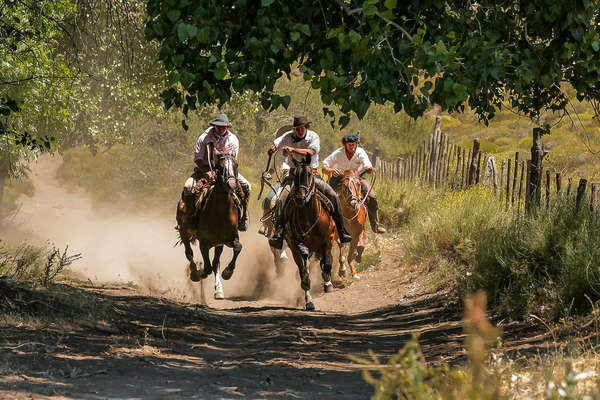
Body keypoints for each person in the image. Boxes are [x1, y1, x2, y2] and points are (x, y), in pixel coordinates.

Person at [266, 116, 352, 249]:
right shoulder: (288, 136)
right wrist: (273, 148)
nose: (300, 131)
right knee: (281, 199)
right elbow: (277, 143)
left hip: (312, 174)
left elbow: (311, 152)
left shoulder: (313, 137)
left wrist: (292, 149)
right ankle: (279, 232)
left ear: (306, 127)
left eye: (302, 128)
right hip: (294, 175)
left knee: (333, 196)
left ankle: (342, 231)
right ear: (294, 129)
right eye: (297, 129)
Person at [182, 113, 251, 231]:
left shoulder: (233, 139)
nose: (221, 129)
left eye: (224, 127)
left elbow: (233, 159)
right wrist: (206, 172)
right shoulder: (204, 138)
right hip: (206, 169)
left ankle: (243, 216)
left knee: (247, 186)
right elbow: (198, 158)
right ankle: (190, 217)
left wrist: (229, 173)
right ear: (214, 126)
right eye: (219, 126)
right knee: (188, 187)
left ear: (228, 127)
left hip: (227, 170)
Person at [322, 133, 387, 233]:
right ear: (345, 145)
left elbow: (367, 165)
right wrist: (331, 171)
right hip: (339, 178)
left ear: (356, 144)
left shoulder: (360, 152)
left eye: (354, 144)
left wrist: (369, 168)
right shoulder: (338, 153)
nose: (352, 146)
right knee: (325, 197)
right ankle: (324, 224)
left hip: (356, 177)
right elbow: (324, 167)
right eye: (349, 144)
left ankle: (375, 225)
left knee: (372, 196)